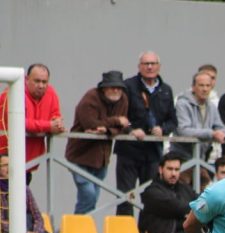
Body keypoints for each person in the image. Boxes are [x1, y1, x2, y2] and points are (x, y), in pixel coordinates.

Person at [115, 51, 177, 216]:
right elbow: (120, 116)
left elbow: (173, 121)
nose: (149, 67)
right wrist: (131, 129)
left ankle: (147, 231)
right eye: (146, 64)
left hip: (153, 153)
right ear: (139, 66)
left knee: (151, 197)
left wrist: (162, 129)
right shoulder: (128, 86)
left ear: (159, 66)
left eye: (153, 63)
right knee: (125, 197)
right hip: (129, 151)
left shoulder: (166, 90)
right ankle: (125, 231)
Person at [64, 70, 130, 214]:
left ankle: (83, 225)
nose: (116, 90)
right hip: (80, 156)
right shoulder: (90, 98)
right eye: (112, 87)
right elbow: (90, 124)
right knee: (88, 195)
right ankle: (79, 225)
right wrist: (116, 121)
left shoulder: (123, 99)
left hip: (102, 159)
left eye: (119, 88)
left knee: (93, 198)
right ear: (104, 88)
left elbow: (124, 127)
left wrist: (107, 129)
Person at [0, 63, 65, 178]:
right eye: (37, 81)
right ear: (26, 79)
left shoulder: (51, 93)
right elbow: (18, 123)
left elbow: (55, 115)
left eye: (44, 82)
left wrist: (58, 124)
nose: (41, 85)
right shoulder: (11, 93)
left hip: (30, 162)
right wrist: (49, 126)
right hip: (5, 158)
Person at [138, 152, 202, 233]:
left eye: (177, 170)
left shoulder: (184, 188)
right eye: (170, 169)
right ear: (160, 169)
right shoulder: (152, 192)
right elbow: (177, 207)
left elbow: (200, 202)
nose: (173, 173)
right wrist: (189, 211)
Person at [171, 71, 225, 162]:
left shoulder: (211, 106)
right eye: (201, 85)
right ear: (193, 87)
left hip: (202, 158)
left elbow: (221, 127)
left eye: (208, 86)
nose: (205, 89)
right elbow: (183, 130)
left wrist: (222, 133)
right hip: (180, 158)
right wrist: (212, 134)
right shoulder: (182, 104)